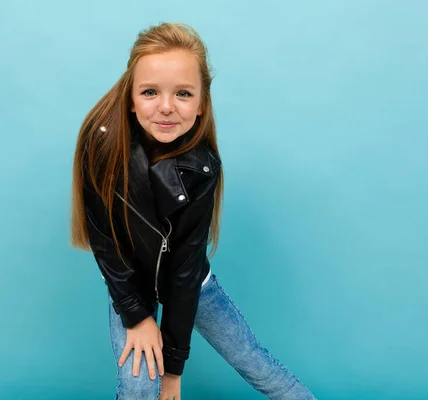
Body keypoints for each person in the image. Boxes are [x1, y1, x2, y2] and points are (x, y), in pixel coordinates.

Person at [70, 22, 316, 400]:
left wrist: (174, 370)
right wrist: (136, 316)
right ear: (131, 97)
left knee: (254, 361)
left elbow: (184, 273)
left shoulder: (204, 168)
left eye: (183, 93)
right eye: (150, 92)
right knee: (137, 388)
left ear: (201, 104)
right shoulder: (101, 143)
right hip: (130, 286)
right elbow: (104, 240)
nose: (166, 107)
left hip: (190, 285)